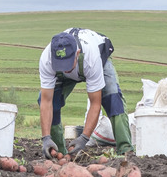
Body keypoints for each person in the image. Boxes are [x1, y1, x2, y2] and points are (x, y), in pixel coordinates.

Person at [39, 28, 134, 158]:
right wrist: (45, 137)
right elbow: (46, 101)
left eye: (67, 64)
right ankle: (58, 151)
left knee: (112, 97)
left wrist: (84, 138)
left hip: (97, 59)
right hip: (74, 65)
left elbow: (95, 103)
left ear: (77, 53)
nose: (65, 69)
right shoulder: (47, 59)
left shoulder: (91, 57)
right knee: (52, 102)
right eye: (60, 65)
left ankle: (125, 150)